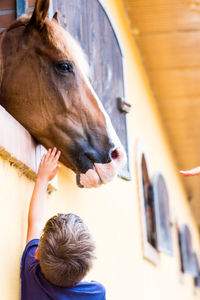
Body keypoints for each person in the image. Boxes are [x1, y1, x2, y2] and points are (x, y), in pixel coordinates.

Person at [21, 147, 106, 300]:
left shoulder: (32, 274)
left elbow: (35, 222)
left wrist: (42, 178)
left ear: (37, 254)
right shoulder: (95, 293)